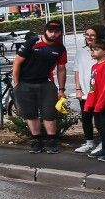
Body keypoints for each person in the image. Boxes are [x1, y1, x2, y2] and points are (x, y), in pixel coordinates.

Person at [11, 19, 68, 153]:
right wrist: (17, 83)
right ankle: (36, 140)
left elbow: (61, 69)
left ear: (60, 33)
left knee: (49, 114)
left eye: (57, 31)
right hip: (25, 83)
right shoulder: (33, 43)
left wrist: (61, 89)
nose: (53, 34)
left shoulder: (60, 48)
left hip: (46, 83)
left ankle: (52, 141)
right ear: (45, 31)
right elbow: (17, 62)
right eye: (50, 31)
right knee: (30, 114)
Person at [71, 25, 105, 156]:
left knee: (100, 119)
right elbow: (77, 70)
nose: (89, 37)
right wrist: (78, 89)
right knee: (86, 117)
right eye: (86, 34)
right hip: (85, 92)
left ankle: (104, 143)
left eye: (92, 35)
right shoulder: (81, 51)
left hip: (99, 93)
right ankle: (89, 142)